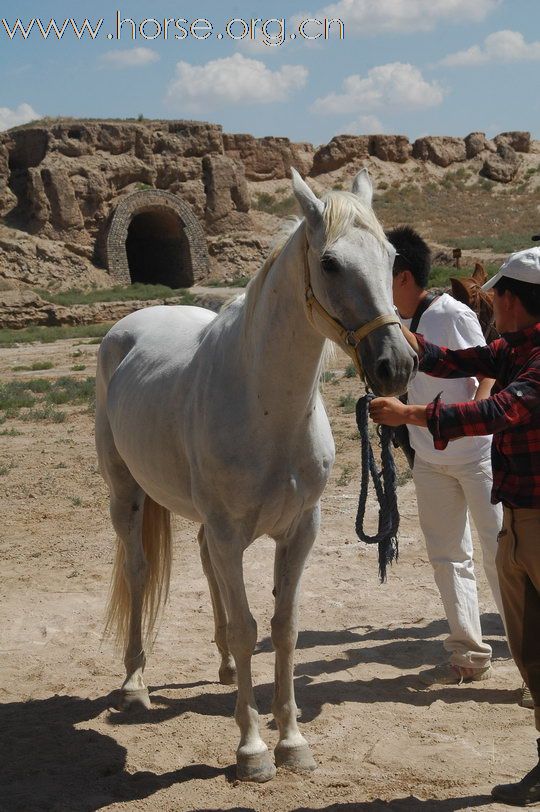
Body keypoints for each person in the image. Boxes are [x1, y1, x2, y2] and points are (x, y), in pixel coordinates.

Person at [369, 246, 540, 806]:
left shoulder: (534, 363)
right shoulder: (512, 347)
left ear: (513, 301)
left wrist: (412, 414)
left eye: (499, 297)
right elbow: (455, 362)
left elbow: (496, 412)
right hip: (519, 512)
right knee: (530, 641)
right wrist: (401, 338)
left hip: (533, 514)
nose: (492, 303)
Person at [387, 226, 504, 686]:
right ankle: (468, 652)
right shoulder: (395, 324)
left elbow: (486, 373)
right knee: (448, 555)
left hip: (476, 455)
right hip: (429, 457)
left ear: (402, 276)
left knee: (499, 553)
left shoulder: (450, 314)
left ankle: (530, 649)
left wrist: (472, 418)